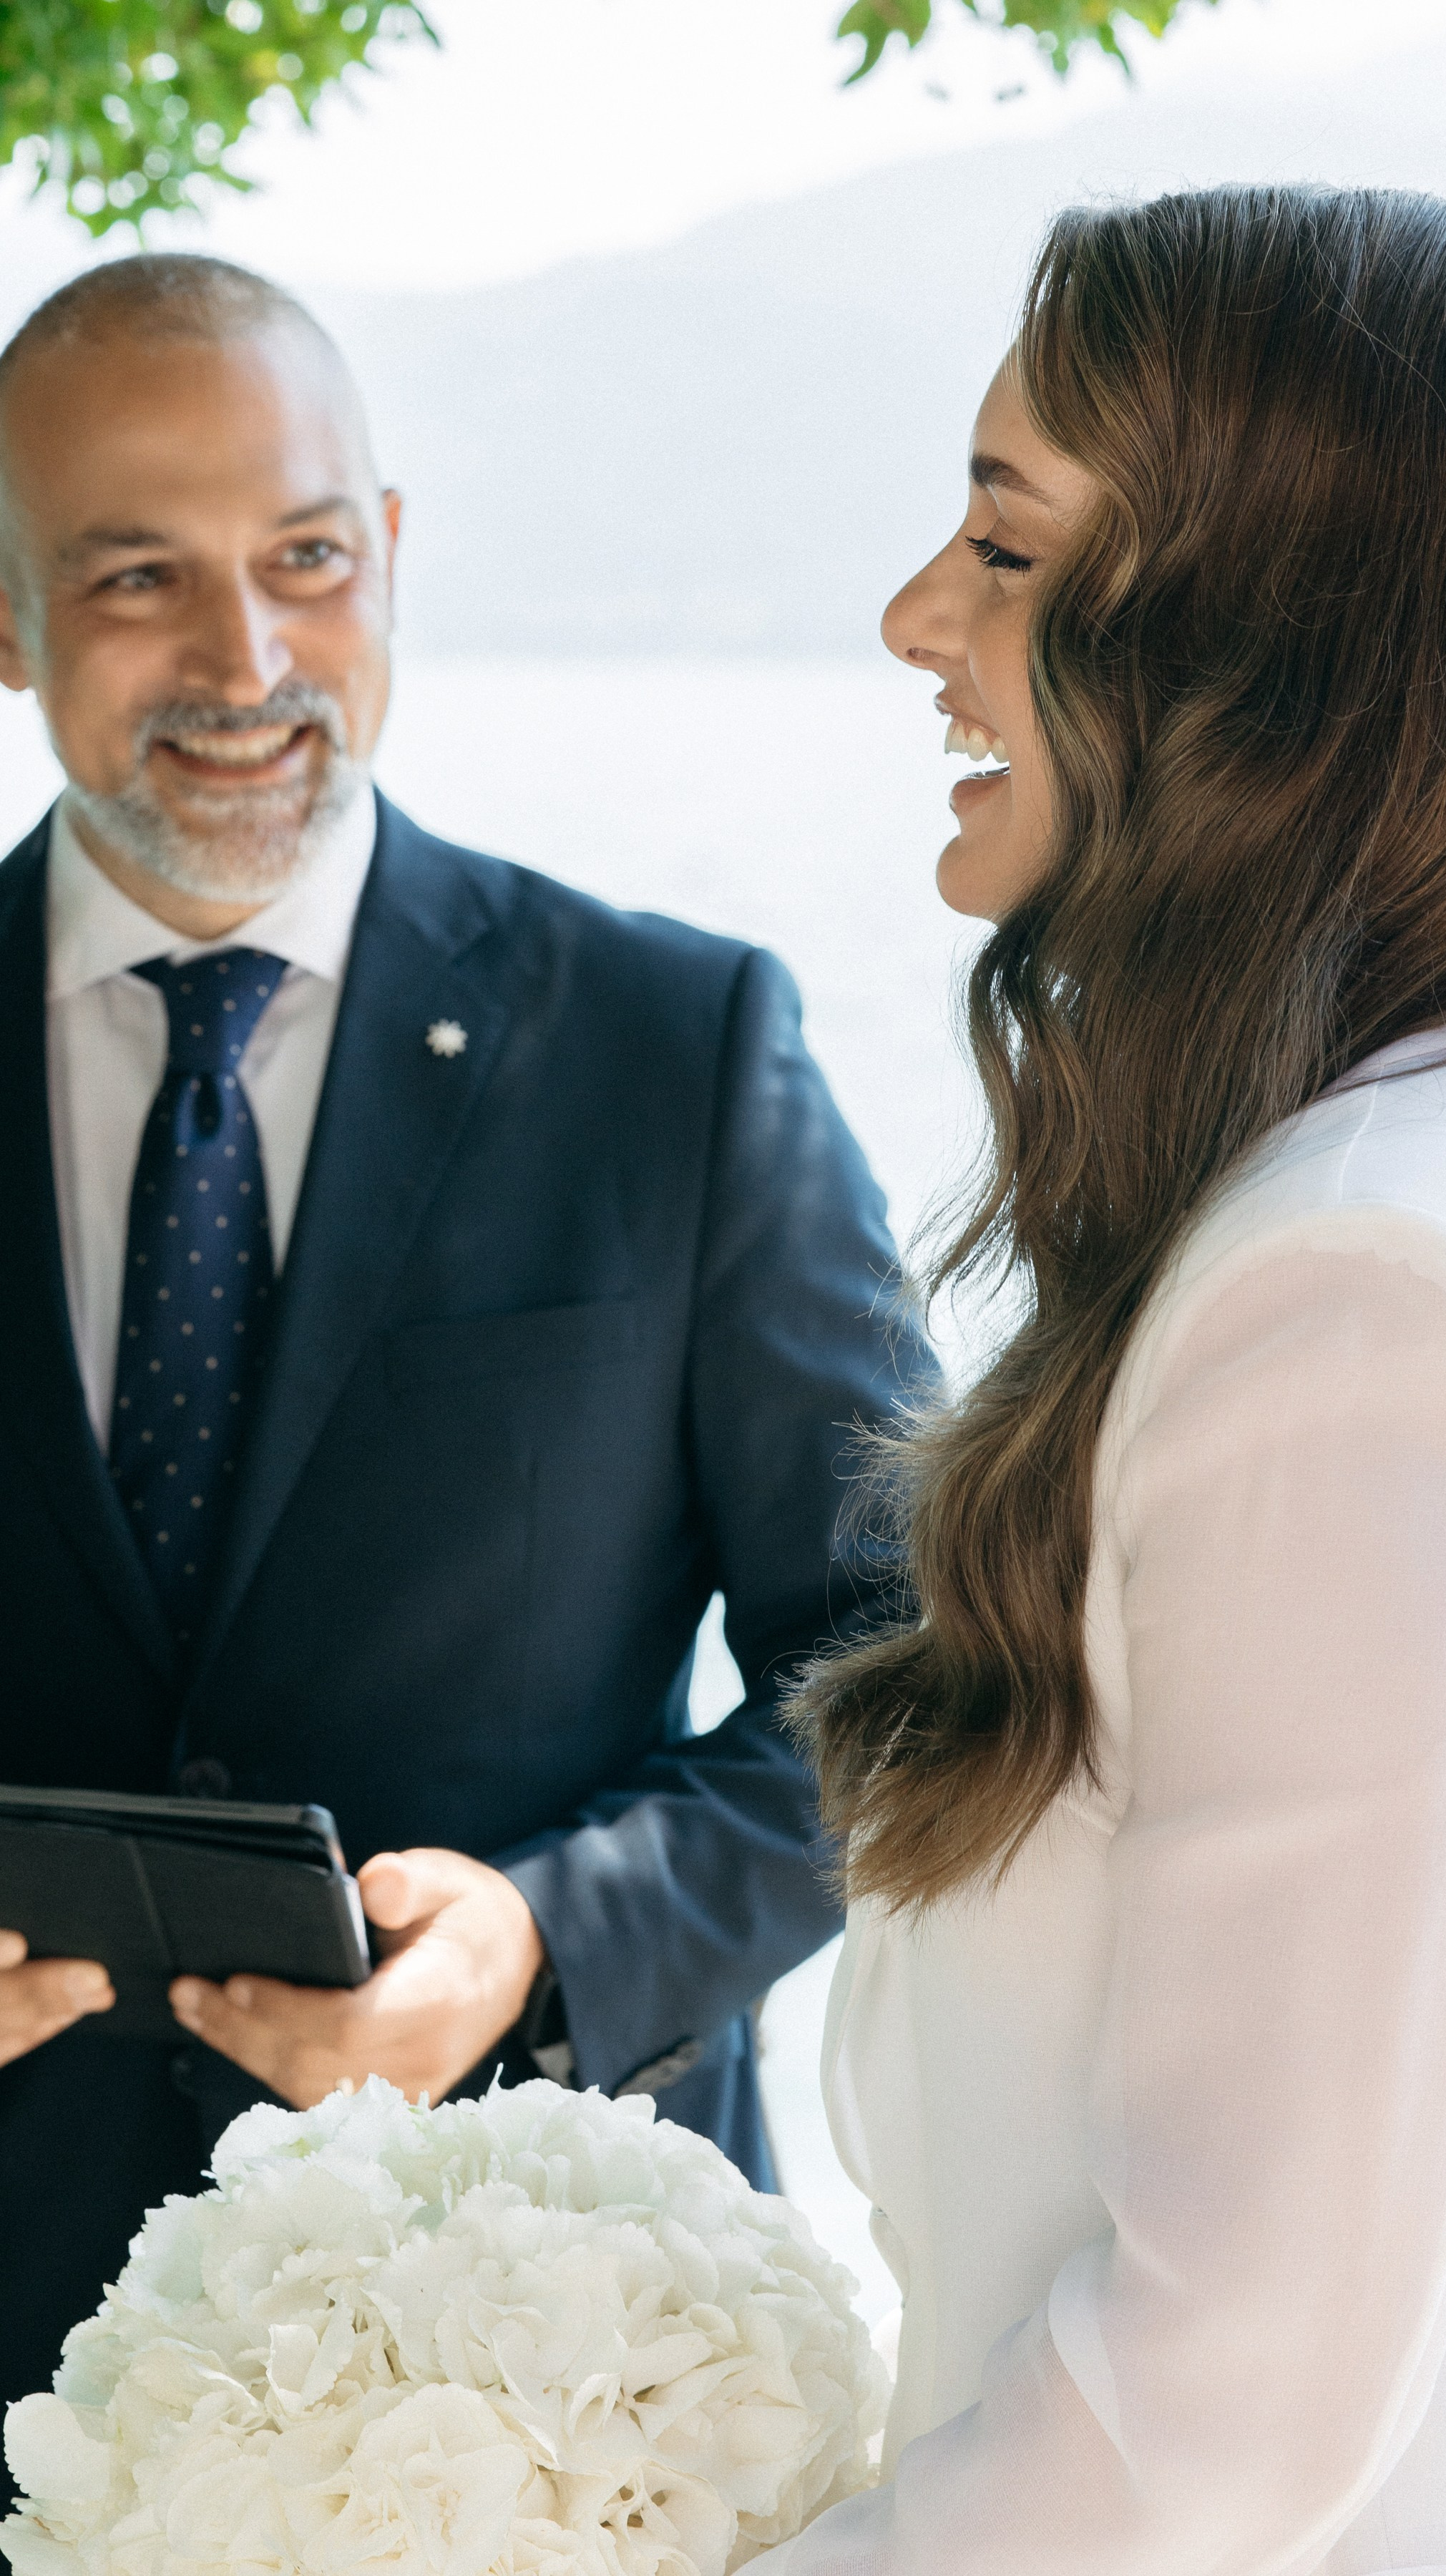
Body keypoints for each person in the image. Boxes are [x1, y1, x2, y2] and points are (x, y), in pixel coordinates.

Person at [756, 188, 1446, 2570]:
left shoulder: (1374, 1283)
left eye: (1007, 544)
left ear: (1277, 640)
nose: (916, 618)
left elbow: (1231, 2391)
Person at [0, 253, 927, 2461]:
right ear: (9, 616)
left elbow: (912, 1660)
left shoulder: (678, 1049)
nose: (247, 661)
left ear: (393, 553)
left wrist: (546, 1936)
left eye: (307, 560)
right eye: (137, 577)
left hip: (543, 2380)